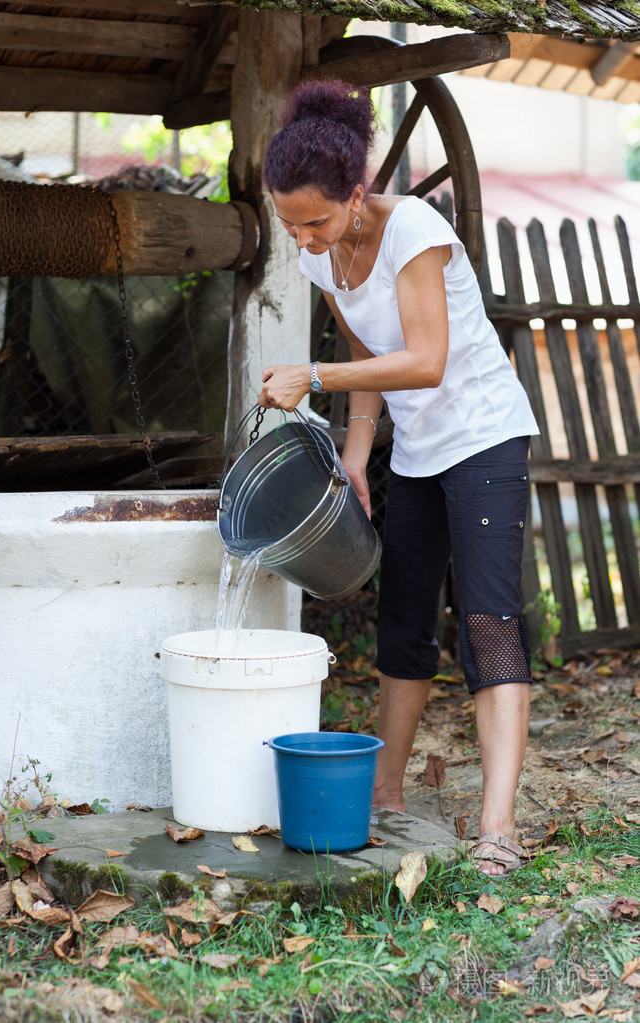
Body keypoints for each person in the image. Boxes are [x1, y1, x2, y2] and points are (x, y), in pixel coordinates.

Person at [259, 79, 539, 877]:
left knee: (487, 624)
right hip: (415, 452)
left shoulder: (414, 227)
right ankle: (383, 795)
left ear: (356, 195)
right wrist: (357, 446)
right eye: (290, 225)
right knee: (403, 623)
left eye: (315, 220)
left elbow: (426, 357)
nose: (304, 238)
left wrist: (310, 377)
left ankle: (497, 825)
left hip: (484, 438)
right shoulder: (325, 261)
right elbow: (367, 363)